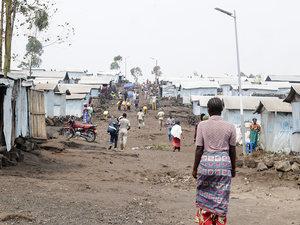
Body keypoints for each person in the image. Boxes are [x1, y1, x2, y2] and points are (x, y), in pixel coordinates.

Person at [193, 97, 236, 225]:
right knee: (221, 198)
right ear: (222, 110)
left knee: (205, 195)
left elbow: (199, 148)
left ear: (209, 110)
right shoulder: (230, 127)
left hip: (206, 165)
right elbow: (232, 151)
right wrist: (233, 168)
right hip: (223, 165)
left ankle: (206, 221)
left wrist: (195, 168)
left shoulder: (202, 125)